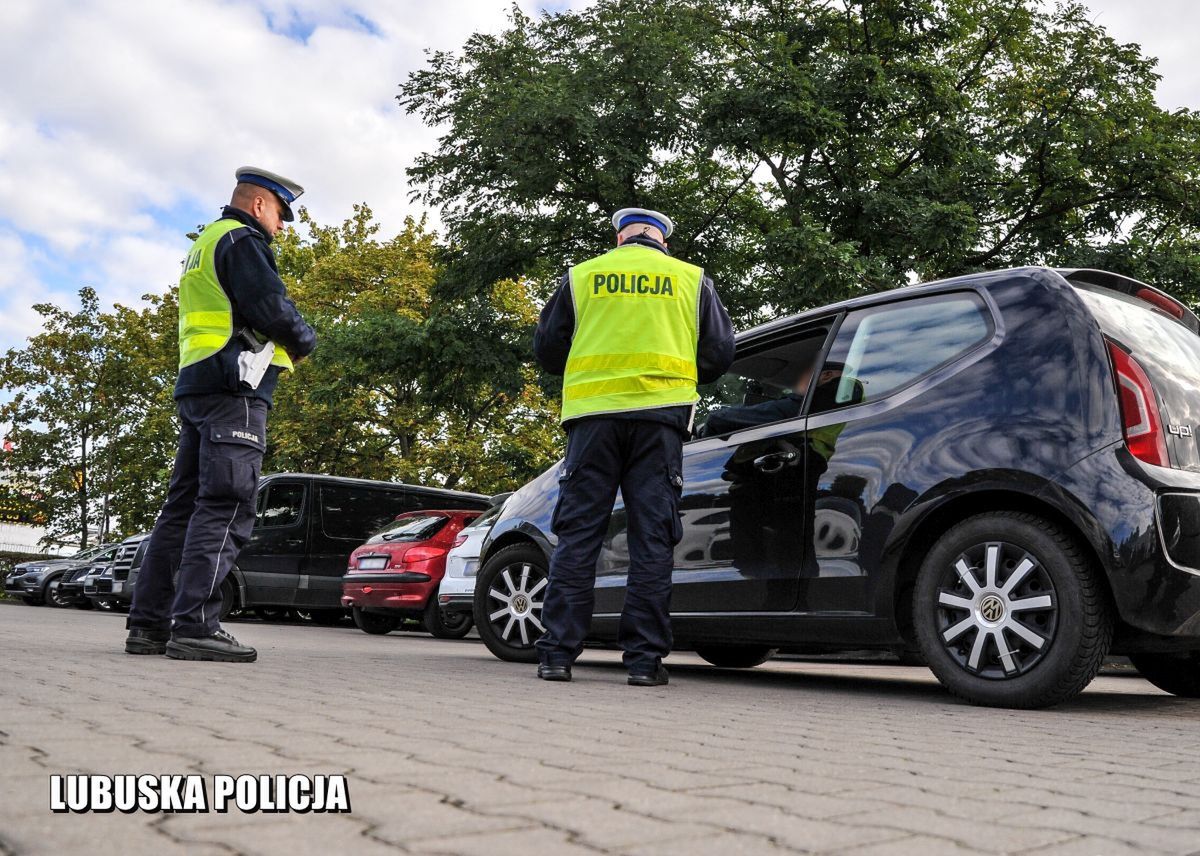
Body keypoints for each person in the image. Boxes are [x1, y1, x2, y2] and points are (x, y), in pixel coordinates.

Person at [532, 207, 735, 686]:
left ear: (620, 236)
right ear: (662, 239)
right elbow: (719, 352)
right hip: (660, 422)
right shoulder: (691, 279)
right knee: (652, 540)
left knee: (579, 535)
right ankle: (644, 663)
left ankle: (557, 656)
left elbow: (546, 348)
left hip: (592, 420)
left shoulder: (583, 277)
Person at [125, 167, 317, 663]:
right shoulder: (242, 241)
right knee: (227, 505)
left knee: (181, 510)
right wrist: (305, 340)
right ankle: (196, 627)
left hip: (199, 386)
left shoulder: (205, 243)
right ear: (258, 205)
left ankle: (149, 626)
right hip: (235, 390)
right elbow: (272, 309)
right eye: (280, 214)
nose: (282, 226)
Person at [698, 362, 846, 437]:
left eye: (806, 373)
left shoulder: (796, 407)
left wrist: (705, 432)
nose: (798, 380)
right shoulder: (841, 405)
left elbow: (719, 419)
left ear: (826, 375)